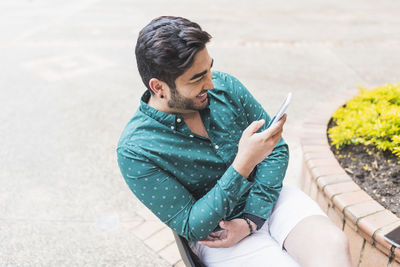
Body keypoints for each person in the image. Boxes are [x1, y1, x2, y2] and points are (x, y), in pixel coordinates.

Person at [117, 16, 352, 267]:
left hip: (268, 196)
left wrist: (252, 218)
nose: (210, 82)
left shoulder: (225, 86)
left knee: (332, 246)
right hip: (219, 234)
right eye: (197, 78)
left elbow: (276, 149)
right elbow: (190, 224)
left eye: (209, 68)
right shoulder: (136, 150)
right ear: (159, 87)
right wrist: (244, 162)